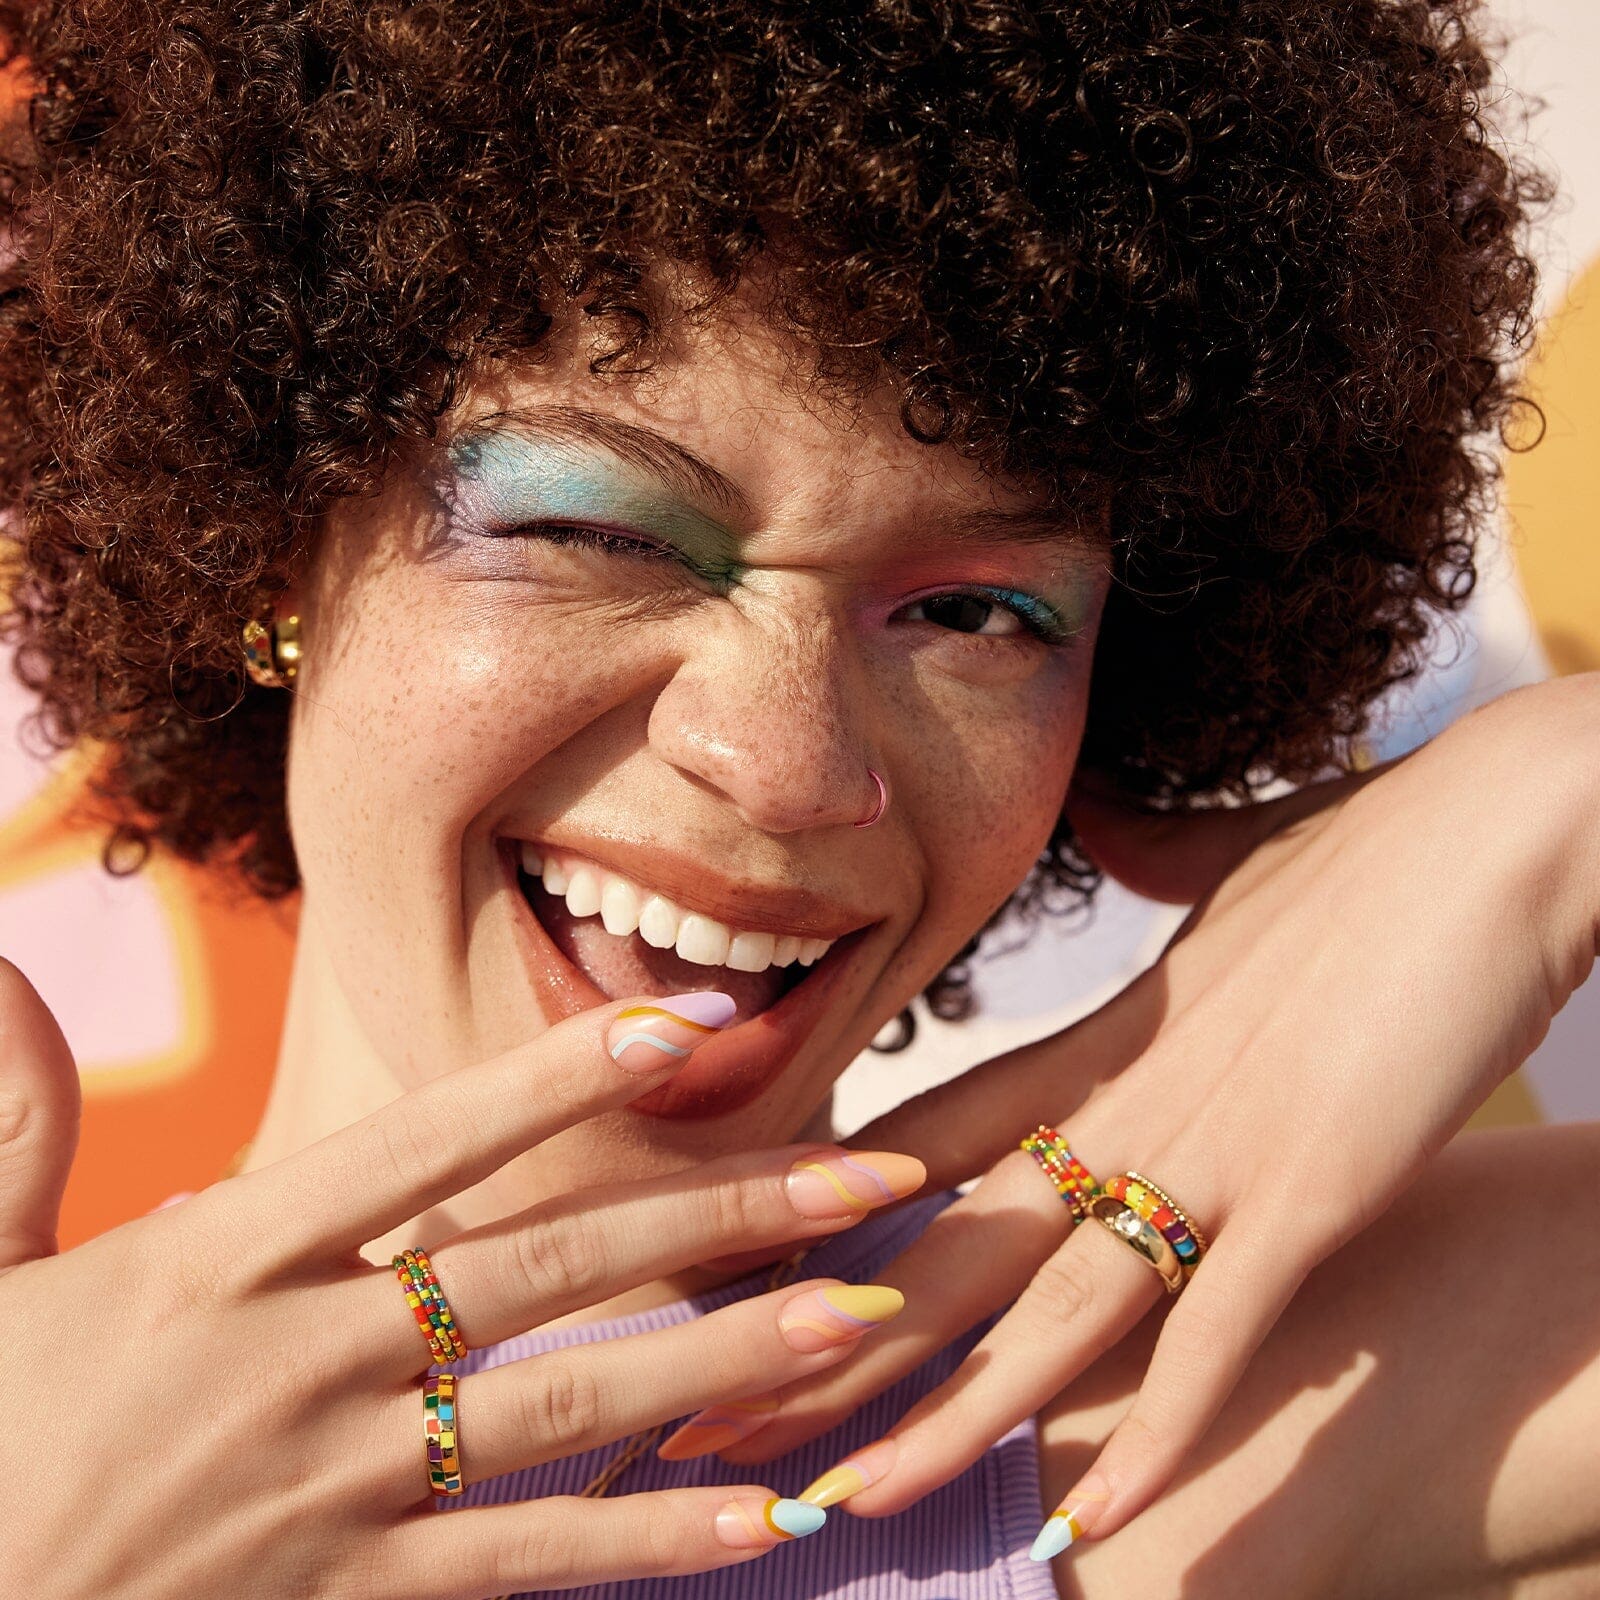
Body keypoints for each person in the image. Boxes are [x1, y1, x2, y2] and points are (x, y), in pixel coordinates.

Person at [1, 1, 1597, 1596]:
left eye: (978, 613)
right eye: (599, 533)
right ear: (268, 537)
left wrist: (1552, 797)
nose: (788, 764)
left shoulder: (1163, 1424)